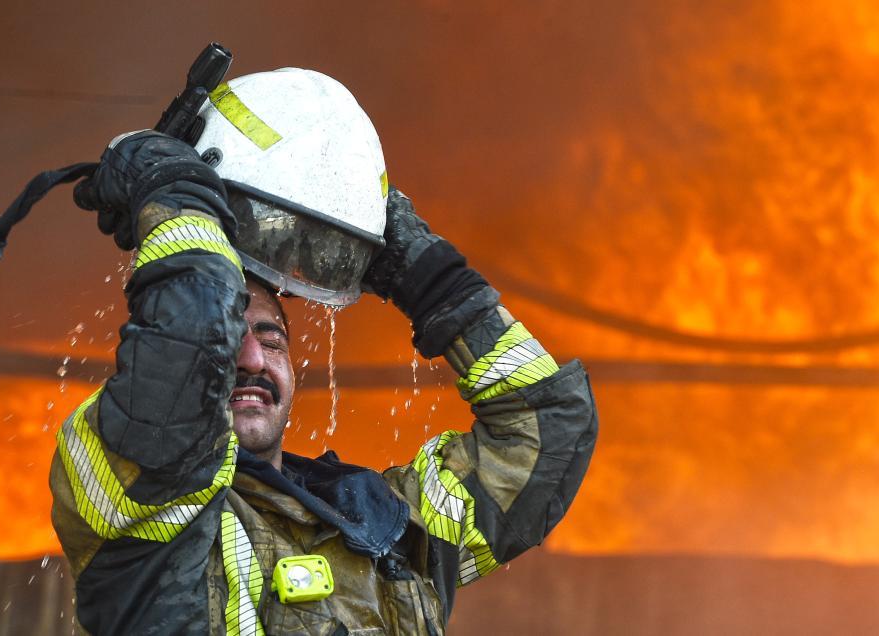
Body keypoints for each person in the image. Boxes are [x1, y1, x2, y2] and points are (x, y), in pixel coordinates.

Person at [49, 68, 597, 635]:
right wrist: (175, 203)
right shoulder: (132, 490)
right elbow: (183, 364)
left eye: (271, 339)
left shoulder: (381, 523)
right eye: (228, 333)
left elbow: (545, 434)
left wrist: (432, 282)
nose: (252, 359)